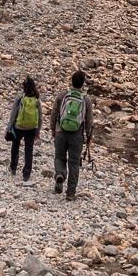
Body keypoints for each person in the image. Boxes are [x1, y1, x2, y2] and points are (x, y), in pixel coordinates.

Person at [50, 70, 93, 201]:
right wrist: (88, 138)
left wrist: (53, 128)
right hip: (76, 135)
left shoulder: (63, 95)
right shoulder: (86, 99)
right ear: (83, 84)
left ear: (72, 81)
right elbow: (89, 120)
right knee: (74, 163)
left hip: (61, 131)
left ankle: (60, 174)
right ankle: (70, 193)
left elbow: (54, 113)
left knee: (59, 156)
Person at [5, 76, 42, 182]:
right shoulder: (37, 98)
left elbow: (13, 113)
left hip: (19, 127)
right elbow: (40, 117)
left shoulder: (20, 97)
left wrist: (9, 127)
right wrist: (38, 130)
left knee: (15, 146)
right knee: (28, 150)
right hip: (31, 128)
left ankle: (13, 167)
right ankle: (26, 173)